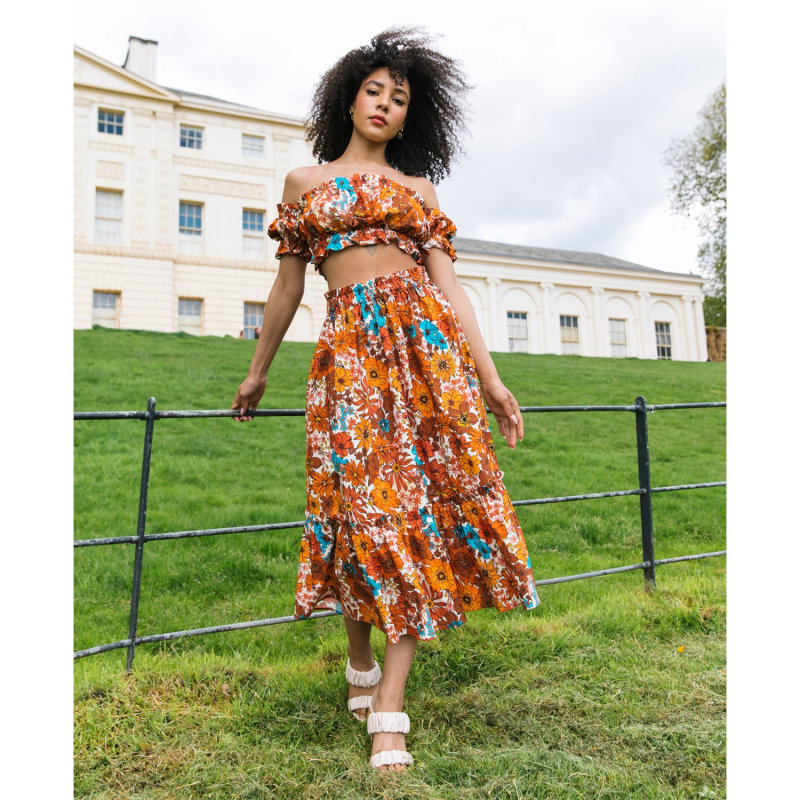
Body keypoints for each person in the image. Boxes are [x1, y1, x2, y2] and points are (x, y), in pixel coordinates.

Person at [232, 27, 540, 773]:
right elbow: (287, 287)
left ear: (410, 118)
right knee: (359, 510)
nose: (385, 105)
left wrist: (491, 379)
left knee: (409, 510)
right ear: (350, 96)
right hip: (351, 361)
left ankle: (390, 715)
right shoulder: (305, 186)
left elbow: (450, 289)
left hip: (427, 357)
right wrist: (258, 369)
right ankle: (359, 661)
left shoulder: (420, 193)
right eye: (375, 90)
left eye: (399, 99)